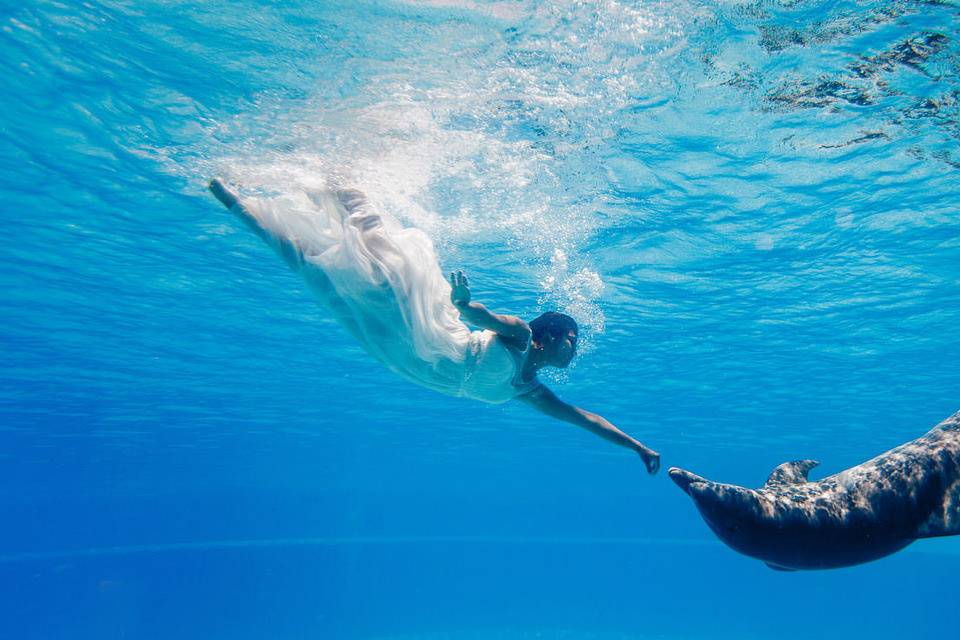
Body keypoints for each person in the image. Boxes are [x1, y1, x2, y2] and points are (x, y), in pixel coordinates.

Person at [209, 179, 660, 474]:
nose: (575, 348)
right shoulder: (521, 336)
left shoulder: (531, 392)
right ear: (546, 335)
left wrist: (637, 446)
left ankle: (246, 212)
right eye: (571, 338)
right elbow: (483, 319)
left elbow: (586, 420)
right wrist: (464, 304)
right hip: (434, 333)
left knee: (329, 285)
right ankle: (342, 183)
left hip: (409, 359)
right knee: (383, 265)